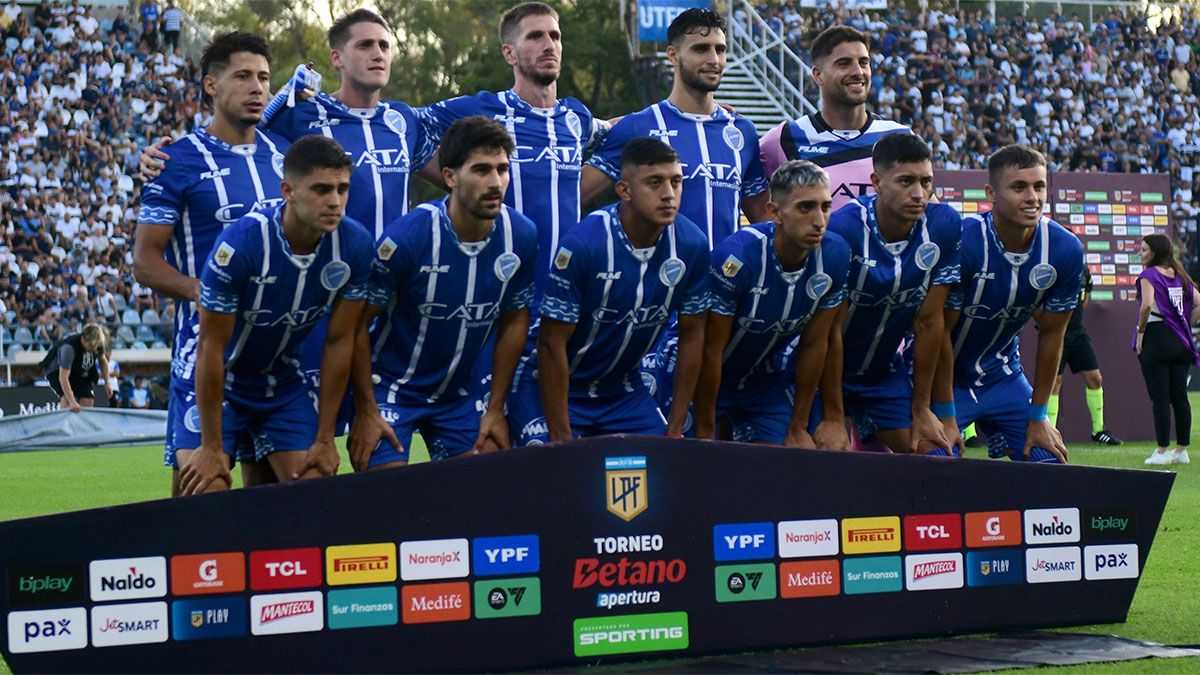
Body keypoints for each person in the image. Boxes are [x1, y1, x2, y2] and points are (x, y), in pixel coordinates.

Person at [139, 9, 439, 394]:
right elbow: (230, 135)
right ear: (337, 57)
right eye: (365, 45)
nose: (377, 53)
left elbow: (458, 171)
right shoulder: (300, 121)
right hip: (303, 310)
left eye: (384, 45)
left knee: (351, 438)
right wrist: (159, 156)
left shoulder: (403, 120)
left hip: (385, 302)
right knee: (229, 449)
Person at [132, 31, 288, 495]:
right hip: (205, 350)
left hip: (277, 357)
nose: (257, 87)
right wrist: (209, 293)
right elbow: (144, 261)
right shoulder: (174, 160)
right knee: (203, 495)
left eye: (263, 77)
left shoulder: (286, 157)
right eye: (242, 76)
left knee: (285, 500)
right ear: (211, 86)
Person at [180, 135, 373, 495]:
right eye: (321, 189)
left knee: (316, 495)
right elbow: (211, 348)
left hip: (279, 379)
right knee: (205, 493)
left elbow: (340, 340)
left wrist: (326, 437)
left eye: (342, 189)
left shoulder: (356, 245)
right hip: (217, 373)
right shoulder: (240, 245)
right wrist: (211, 446)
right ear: (288, 190)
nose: (334, 201)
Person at [347, 117, 537, 470]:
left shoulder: (521, 236)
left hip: (460, 395)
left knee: (492, 489)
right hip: (391, 389)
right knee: (389, 501)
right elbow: (354, 326)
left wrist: (496, 408)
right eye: (481, 170)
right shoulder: (408, 237)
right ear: (450, 177)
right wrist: (365, 410)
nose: (496, 182)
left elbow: (514, 321)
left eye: (502, 169)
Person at [509, 138, 710, 444]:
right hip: (552, 385)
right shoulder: (584, 245)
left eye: (676, 182)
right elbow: (551, 344)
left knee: (665, 471)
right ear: (624, 190)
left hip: (623, 391)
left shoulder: (692, 245)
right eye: (654, 183)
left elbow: (693, 335)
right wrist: (562, 438)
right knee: (561, 477)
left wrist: (676, 425)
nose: (669, 194)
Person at [805, 132, 959, 455]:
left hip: (883, 376)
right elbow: (828, 329)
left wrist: (922, 409)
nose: (919, 194)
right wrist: (834, 415)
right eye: (906, 181)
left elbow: (930, 323)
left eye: (926, 182)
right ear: (876, 181)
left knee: (936, 455)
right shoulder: (842, 231)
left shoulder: (944, 226)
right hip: (825, 374)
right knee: (825, 461)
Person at [940, 145, 1084, 464]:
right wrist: (946, 414)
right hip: (945, 380)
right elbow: (937, 332)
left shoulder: (1065, 249)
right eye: (1019, 187)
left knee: (1048, 458)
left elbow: (1052, 335)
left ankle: (1005, 433)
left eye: (1039, 186)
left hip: (1002, 377)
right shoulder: (964, 241)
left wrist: (1039, 415)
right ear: (991, 192)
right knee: (934, 457)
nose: (1032, 197)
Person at [580, 7, 769, 246]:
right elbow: (569, 199)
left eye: (720, 50)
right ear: (673, 55)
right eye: (701, 49)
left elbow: (765, 219)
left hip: (726, 280)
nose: (713, 59)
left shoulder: (743, 131)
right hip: (661, 280)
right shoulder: (638, 127)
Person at [693, 160, 849, 446]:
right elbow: (709, 350)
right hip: (697, 375)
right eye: (805, 207)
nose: (819, 220)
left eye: (825, 207)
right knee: (696, 469)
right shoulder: (738, 257)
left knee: (782, 468)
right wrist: (704, 433)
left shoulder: (835, 255)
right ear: (775, 212)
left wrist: (798, 426)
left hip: (759, 381)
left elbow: (816, 343)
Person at [759, 25, 910, 210]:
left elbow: (929, 216)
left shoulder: (900, 138)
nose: (858, 72)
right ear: (818, 75)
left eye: (864, 62)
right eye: (844, 63)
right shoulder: (784, 139)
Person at [1134, 234, 1199, 465]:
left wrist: (1140, 333)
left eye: (1144, 250)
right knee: (1180, 396)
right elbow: (1198, 301)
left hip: (1156, 338)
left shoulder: (1148, 275)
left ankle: (1161, 451)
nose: (1140, 254)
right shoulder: (1179, 274)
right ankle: (1181, 451)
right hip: (1180, 341)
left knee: (1160, 397)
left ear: (1155, 252)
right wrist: (1184, 325)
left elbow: (1147, 304)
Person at [1046, 267, 1122, 445]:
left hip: (1078, 333)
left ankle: (1099, 431)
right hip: (1056, 333)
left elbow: (1085, 297)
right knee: (1054, 383)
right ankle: (1050, 433)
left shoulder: (1083, 270)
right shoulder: (1051, 269)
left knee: (1095, 379)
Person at [41, 323, 112, 412]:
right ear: (83, 339)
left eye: (95, 347)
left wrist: (107, 382)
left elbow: (103, 361)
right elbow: (63, 377)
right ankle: (65, 424)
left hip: (78, 369)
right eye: (91, 345)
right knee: (67, 400)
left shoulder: (97, 343)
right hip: (56, 370)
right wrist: (72, 401)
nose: (94, 349)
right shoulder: (68, 349)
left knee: (88, 401)